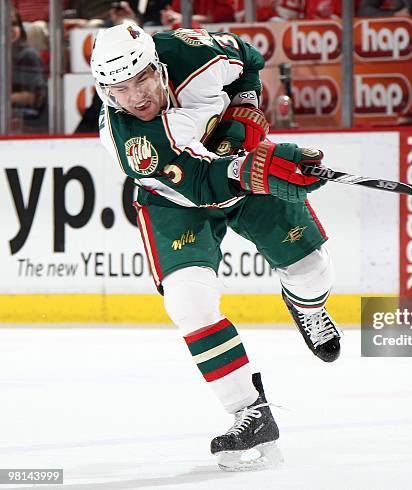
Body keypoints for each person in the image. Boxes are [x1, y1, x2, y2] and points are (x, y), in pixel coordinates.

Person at [90, 22, 341, 470]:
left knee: (312, 269)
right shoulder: (127, 137)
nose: (135, 97)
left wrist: (245, 108)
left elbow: (248, 59)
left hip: (235, 161)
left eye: (142, 80)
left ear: (156, 64)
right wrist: (261, 165)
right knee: (188, 303)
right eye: (120, 90)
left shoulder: (190, 51)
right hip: (179, 198)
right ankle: (250, 412)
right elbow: (203, 185)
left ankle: (306, 306)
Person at [11, 6, 47, 133]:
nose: (10, 29)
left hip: (25, 121)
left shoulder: (28, 55)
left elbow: (32, 98)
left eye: (14, 24)